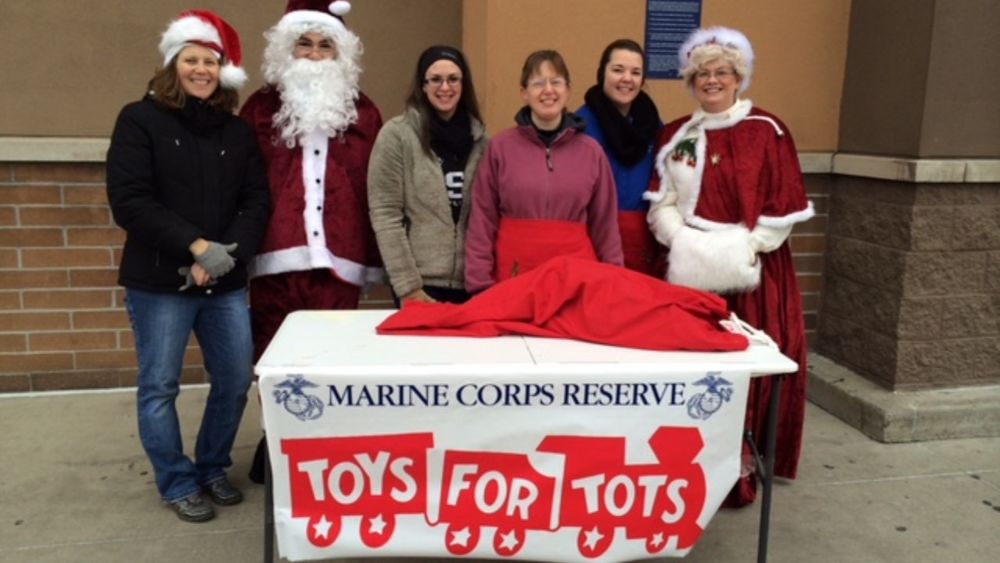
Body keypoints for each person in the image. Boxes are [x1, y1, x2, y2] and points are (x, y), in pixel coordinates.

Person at [106, 10, 270, 522]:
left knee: (234, 379)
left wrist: (225, 256)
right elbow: (130, 200)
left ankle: (212, 467)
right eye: (191, 60)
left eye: (211, 62)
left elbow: (256, 202)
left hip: (222, 283)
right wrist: (198, 248)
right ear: (173, 64)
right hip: (159, 282)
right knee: (160, 386)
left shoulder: (237, 132)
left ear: (223, 72)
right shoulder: (140, 119)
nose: (201, 70)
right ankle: (177, 481)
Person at [645, 26, 814, 506]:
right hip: (689, 271)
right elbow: (664, 201)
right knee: (694, 369)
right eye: (702, 74)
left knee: (745, 368)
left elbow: (782, 208)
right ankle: (687, 459)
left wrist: (740, 249)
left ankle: (742, 464)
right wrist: (681, 240)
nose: (712, 81)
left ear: (739, 77)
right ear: (691, 80)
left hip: (751, 275)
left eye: (721, 72)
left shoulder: (768, 129)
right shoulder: (676, 133)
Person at [239, 0, 383, 357]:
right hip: (273, 261)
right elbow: (239, 182)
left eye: (325, 45)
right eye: (305, 42)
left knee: (332, 362)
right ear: (287, 48)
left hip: (339, 262)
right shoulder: (258, 109)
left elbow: (378, 188)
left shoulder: (364, 113)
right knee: (274, 359)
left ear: (340, 52)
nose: (315, 54)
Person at [465, 50, 623, 293]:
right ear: (524, 93)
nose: (548, 90)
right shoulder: (501, 148)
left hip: (576, 278)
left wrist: (614, 282)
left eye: (556, 82)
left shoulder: (591, 152)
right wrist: (479, 283)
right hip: (513, 276)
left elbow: (606, 226)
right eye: (538, 83)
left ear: (567, 90)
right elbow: (483, 220)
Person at [368, 46, 487, 305]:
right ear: (422, 85)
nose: (445, 87)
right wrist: (408, 287)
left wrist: (484, 281)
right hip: (420, 285)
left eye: (453, 79)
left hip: (471, 286)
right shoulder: (396, 136)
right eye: (435, 79)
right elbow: (385, 215)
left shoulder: (482, 142)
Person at [576, 39, 663, 275]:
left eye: (635, 72)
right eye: (618, 70)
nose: (627, 78)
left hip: (644, 242)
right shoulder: (579, 127)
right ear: (601, 73)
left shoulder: (654, 126)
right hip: (594, 239)